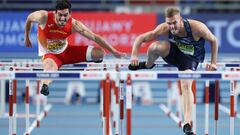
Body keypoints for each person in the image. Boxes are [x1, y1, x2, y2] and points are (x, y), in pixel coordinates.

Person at [128, 7, 218, 135]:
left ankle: (187, 123)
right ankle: (148, 65)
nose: (172, 27)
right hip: (174, 53)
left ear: (180, 20)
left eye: (174, 23)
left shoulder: (197, 27)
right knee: (154, 47)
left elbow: (213, 40)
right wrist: (134, 55)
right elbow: (141, 38)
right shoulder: (165, 27)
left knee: (186, 85)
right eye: (169, 23)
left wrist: (213, 63)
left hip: (191, 59)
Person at [24, 0, 126, 96]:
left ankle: (93, 59)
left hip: (67, 52)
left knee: (100, 53)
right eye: (60, 15)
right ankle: (45, 86)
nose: (63, 18)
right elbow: (29, 18)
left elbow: (94, 37)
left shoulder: (74, 24)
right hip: (50, 55)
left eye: (65, 15)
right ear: (55, 13)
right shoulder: (43, 17)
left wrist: (114, 51)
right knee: (50, 67)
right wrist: (27, 37)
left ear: (70, 14)